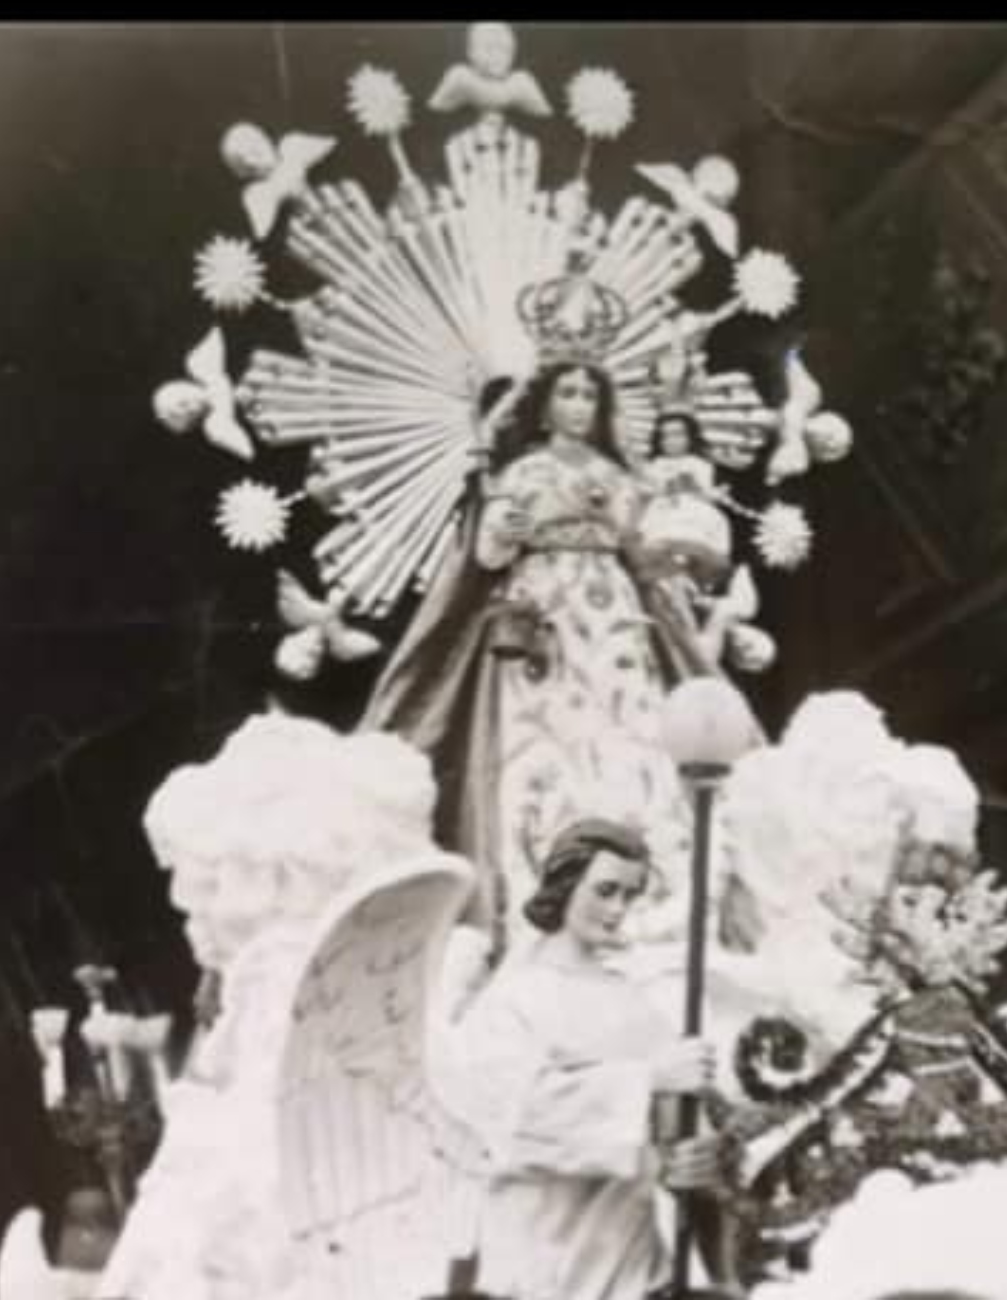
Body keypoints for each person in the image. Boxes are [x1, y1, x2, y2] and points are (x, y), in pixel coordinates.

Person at [360, 361, 735, 963]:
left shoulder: (620, 475)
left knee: (631, 748)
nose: (579, 405)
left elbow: (645, 555)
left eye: (589, 394)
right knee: (543, 757)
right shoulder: (521, 472)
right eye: (567, 392)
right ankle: (545, 911)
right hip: (544, 623)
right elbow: (487, 556)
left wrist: (666, 540)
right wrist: (502, 530)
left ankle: (650, 918)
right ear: (544, 404)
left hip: (615, 624)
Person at [456, 819, 726, 1300]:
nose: (618, 909)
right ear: (564, 884)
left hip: (627, 1256)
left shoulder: (635, 1002)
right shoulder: (514, 998)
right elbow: (514, 1122)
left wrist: (690, 1156)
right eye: (605, 891)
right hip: (540, 1255)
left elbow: (672, 1133)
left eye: (630, 894)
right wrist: (647, 1080)